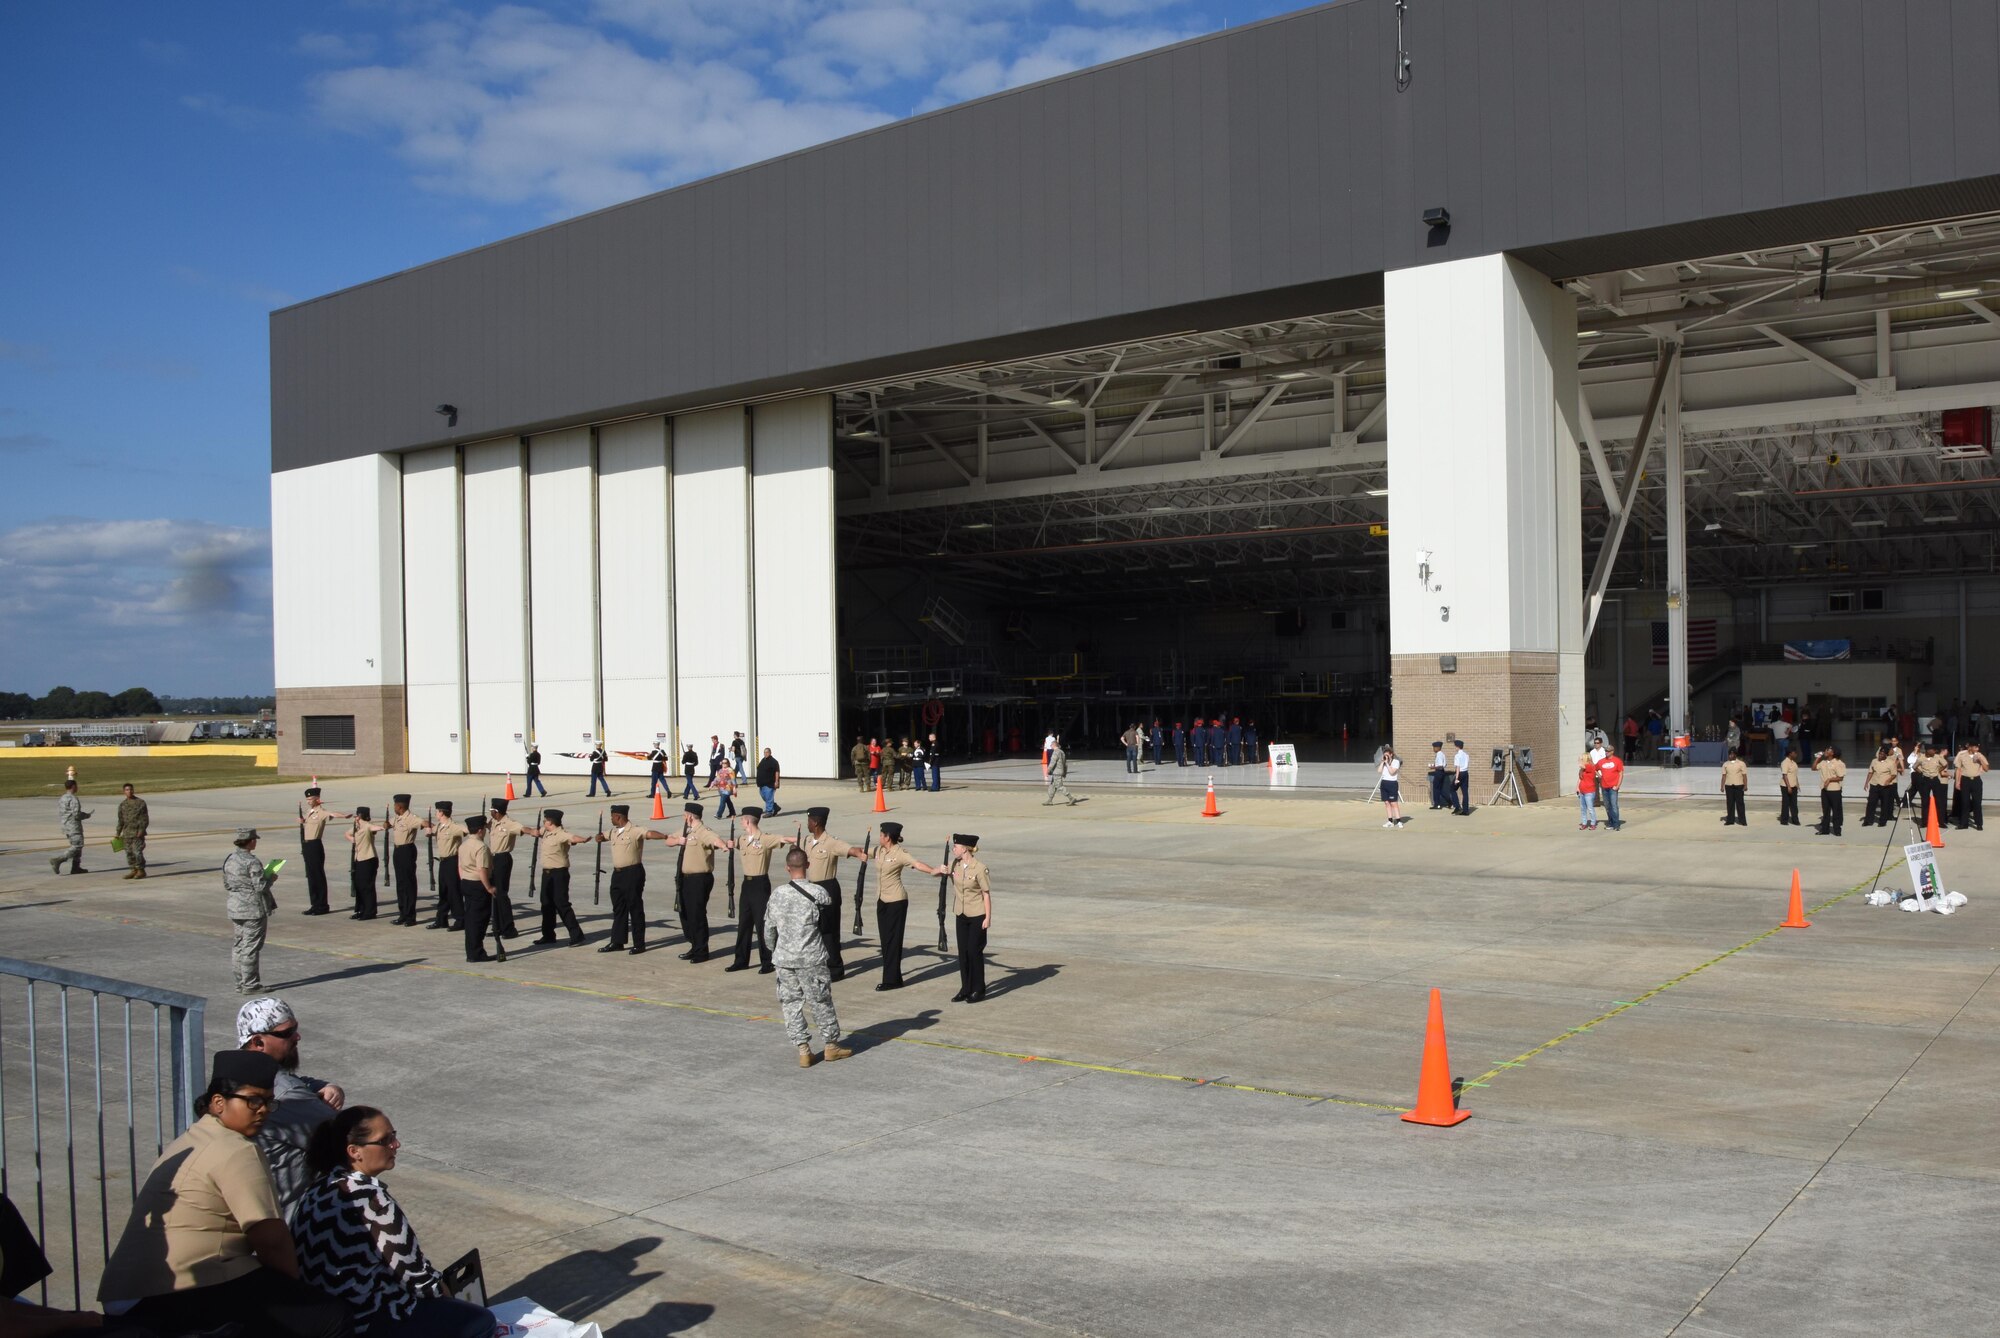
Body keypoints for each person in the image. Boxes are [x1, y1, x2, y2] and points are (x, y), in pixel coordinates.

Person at [98, 1050, 352, 1338]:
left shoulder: (191, 1137)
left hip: (131, 1289)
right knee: (332, 1318)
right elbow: (271, 1241)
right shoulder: (237, 1149)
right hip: (174, 1289)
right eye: (253, 1100)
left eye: (269, 1102)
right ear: (218, 1102)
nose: (263, 1110)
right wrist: (296, 1292)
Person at [292, 1107, 493, 1338]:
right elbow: (420, 1279)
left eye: (393, 1136)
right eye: (385, 1140)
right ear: (355, 1151)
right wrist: (453, 1302)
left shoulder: (319, 1188)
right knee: (482, 1321)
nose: (396, 1145)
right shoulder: (372, 1202)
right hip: (367, 1321)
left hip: (329, 1315)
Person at [236, 997, 344, 1222]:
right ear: (258, 1042)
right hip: (289, 1227)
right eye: (286, 1033)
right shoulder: (285, 1095)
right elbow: (346, 1139)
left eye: (295, 1029)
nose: (297, 1037)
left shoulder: (235, 1072)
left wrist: (322, 1086)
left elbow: (294, 1079)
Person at [764, 848, 851, 1067]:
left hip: (784, 959)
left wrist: (775, 949)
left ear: (787, 868)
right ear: (808, 865)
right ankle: (831, 1046)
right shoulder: (819, 893)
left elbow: (769, 929)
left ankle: (803, 1050)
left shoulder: (778, 894)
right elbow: (828, 923)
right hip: (810, 957)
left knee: (791, 1004)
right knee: (820, 1001)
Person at [869, 821, 941, 991]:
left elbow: (916, 864)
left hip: (896, 901)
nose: (879, 837)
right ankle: (894, 978)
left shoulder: (900, 853)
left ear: (888, 837)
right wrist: (852, 852)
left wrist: (933, 871)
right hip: (882, 900)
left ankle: (891, 979)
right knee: (885, 940)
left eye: (881, 835)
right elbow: (863, 852)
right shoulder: (879, 850)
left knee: (893, 941)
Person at [594, 804, 670, 954]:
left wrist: (664, 836)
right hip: (617, 875)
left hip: (632, 873)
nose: (611, 819)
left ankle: (639, 943)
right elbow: (603, 836)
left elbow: (649, 834)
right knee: (619, 908)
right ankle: (617, 941)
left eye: (612, 816)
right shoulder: (614, 832)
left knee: (635, 908)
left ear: (618, 817)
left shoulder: (635, 830)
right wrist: (599, 837)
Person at [725, 809, 791, 973]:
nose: (741, 823)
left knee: (762, 924)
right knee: (744, 924)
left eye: (742, 820)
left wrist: (802, 841)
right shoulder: (742, 839)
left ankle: (767, 961)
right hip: (746, 884)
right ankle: (741, 960)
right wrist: (729, 844)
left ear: (747, 821)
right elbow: (733, 844)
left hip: (760, 883)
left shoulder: (765, 839)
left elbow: (783, 839)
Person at [801, 807, 863, 981]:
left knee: (829, 931)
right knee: (813, 931)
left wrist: (858, 853)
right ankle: (818, 966)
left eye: (809, 821)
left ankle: (835, 969)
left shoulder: (831, 842)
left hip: (827, 888)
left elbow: (848, 849)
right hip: (811, 889)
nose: (807, 824)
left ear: (816, 822)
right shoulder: (807, 840)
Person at [667, 802, 731, 962]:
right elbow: (668, 840)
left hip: (699, 879)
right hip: (684, 879)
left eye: (684, 815)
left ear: (689, 816)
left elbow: (715, 840)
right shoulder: (685, 831)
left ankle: (701, 951)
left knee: (697, 914)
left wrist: (723, 846)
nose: (683, 817)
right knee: (685, 914)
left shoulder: (703, 831)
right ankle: (694, 945)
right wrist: (677, 841)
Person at [225, 828, 279, 995]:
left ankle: (240, 982)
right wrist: (271, 878)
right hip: (252, 909)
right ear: (250, 841)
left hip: (235, 906)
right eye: (255, 839)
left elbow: (226, 883)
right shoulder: (251, 861)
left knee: (239, 945)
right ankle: (250, 984)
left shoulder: (230, 859)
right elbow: (260, 886)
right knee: (250, 947)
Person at [531, 810, 589, 946]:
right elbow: (535, 832)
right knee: (546, 904)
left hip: (559, 874)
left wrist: (583, 840)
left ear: (550, 821)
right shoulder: (545, 831)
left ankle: (577, 935)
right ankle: (548, 935)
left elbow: (573, 838)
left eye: (545, 820)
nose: (543, 822)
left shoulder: (561, 834)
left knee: (562, 904)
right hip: (546, 874)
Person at [948, 834, 992, 1004]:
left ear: (965, 848)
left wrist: (988, 918)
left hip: (977, 915)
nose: (954, 849)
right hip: (961, 914)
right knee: (963, 953)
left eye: (956, 846)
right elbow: (948, 876)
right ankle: (965, 988)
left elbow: (986, 894)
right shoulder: (956, 865)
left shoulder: (980, 868)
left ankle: (978, 989)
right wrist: (939, 871)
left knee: (974, 952)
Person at [298, 788, 348, 916]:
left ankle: (322, 905)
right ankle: (314, 904)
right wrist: (303, 821)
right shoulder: (309, 811)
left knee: (318, 876)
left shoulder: (321, 812)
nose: (308, 801)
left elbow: (332, 814)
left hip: (315, 845)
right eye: (307, 799)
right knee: (311, 876)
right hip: (307, 846)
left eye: (310, 799)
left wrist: (343, 816)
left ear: (317, 799)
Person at [456, 815, 497, 963]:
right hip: (478, 885)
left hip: (466, 882)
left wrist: (464, 879)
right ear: (480, 830)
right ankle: (476, 953)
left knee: (471, 919)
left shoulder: (463, 845)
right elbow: (482, 870)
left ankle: (472, 951)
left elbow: (460, 866)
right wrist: (489, 887)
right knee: (479, 921)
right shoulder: (481, 847)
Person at [483, 799, 525, 938]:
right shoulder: (494, 822)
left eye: (492, 811)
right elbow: (487, 826)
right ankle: (497, 926)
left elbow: (522, 828)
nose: (490, 813)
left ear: (497, 812)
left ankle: (509, 928)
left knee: (501, 893)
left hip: (503, 858)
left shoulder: (509, 823)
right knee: (494, 894)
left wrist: (533, 832)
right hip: (493, 858)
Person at [423, 801, 463, 931]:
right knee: (443, 891)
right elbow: (431, 830)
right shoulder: (439, 826)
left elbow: (466, 830)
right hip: (443, 861)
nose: (435, 813)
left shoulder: (453, 827)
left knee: (454, 891)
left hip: (452, 861)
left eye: (437, 811)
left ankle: (460, 919)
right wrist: (428, 831)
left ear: (441, 812)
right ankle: (441, 919)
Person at [386, 796, 424, 925]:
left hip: (407, 850)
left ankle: (410, 916)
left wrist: (430, 828)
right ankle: (402, 913)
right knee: (400, 883)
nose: (394, 807)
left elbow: (424, 823)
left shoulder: (411, 818)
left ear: (399, 806)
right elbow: (389, 823)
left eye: (395, 805)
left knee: (408, 884)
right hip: (397, 851)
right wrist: (386, 825)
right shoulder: (397, 817)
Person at [346, 807, 382, 920]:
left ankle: (370, 911)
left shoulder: (367, 825)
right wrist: (351, 838)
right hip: (359, 859)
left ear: (360, 816)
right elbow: (346, 833)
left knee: (367, 886)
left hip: (368, 859)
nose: (356, 817)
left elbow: (376, 828)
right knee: (359, 885)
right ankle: (361, 909)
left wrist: (383, 827)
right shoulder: (357, 827)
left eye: (357, 815)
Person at [50, 779, 89, 876]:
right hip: (73, 826)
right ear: (73, 787)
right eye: (76, 786)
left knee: (77, 847)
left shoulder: (62, 798)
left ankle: (75, 867)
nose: (77, 787)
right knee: (77, 846)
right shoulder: (73, 799)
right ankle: (59, 860)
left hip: (66, 826)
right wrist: (86, 815)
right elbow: (76, 815)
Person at [115, 782, 150, 879]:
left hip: (137, 833)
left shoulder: (140, 803)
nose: (129, 791)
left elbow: (145, 819)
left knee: (137, 852)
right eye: (127, 790)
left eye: (130, 789)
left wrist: (141, 830)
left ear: (133, 790)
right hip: (127, 833)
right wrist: (118, 833)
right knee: (129, 853)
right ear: (124, 792)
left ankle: (141, 870)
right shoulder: (122, 805)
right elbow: (121, 820)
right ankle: (133, 870)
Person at [1813, 746, 1846, 836]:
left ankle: (1837, 830)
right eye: (1826, 749)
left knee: (1836, 811)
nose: (1825, 751)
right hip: (1824, 790)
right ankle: (1825, 830)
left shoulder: (1839, 763)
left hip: (1834, 790)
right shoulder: (1823, 762)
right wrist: (1817, 758)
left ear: (1833, 753)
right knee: (1826, 811)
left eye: (1828, 750)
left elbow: (1840, 777)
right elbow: (1814, 768)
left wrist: (1830, 779)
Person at [1862, 746, 1897, 827]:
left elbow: (1894, 774)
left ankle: (1882, 821)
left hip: (1885, 786)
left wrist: (1888, 780)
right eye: (1879, 753)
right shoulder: (1874, 761)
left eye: (1882, 754)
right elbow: (1870, 772)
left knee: (1884, 804)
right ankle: (1868, 820)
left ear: (1886, 755)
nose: (1880, 755)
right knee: (1871, 803)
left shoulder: (1891, 763)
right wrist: (1866, 782)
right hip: (1874, 784)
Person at [1594, 749, 1625, 830]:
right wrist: (1599, 776)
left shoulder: (1617, 761)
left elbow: (1621, 774)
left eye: (1608, 751)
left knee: (1614, 805)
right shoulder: (1601, 761)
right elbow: (1594, 768)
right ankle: (1610, 823)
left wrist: (1618, 785)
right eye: (1606, 751)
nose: (1606, 752)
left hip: (1613, 787)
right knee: (1607, 806)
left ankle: (1616, 824)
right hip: (1604, 787)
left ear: (1612, 751)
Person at [1044, 737, 1078, 805]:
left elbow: (1052, 762)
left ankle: (1071, 798)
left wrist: (1048, 770)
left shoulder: (1055, 752)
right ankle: (1050, 800)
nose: (1050, 746)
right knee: (1052, 786)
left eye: (1051, 745)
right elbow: (1065, 764)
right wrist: (1064, 772)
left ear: (1054, 745)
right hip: (1059, 772)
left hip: (1056, 772)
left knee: (1059, 786)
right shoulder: (1062, 752)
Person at [1378, 748, 1406, 827]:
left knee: (1394, 803)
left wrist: (1387, 763)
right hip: (1384, 783)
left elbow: (1392, 772)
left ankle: (1398, 821)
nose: (1386, 756)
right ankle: (1390, 821)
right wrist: (1382, 762)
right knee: (1387, 802)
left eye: (1387, 755)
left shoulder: (1395, 762)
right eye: (1384, 755)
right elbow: (1379, 771)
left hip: (1392, 783)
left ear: (1391, 754)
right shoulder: (1384, 762)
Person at [1720, 748, 1748, 826]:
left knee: (1740, 803)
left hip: (1739, 785)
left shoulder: (1741, 764)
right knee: (1730, 803)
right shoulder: (1725, 764)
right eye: (1729, 754)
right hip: (1729, 786)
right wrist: (1722, 786)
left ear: (1735, 754)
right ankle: (1730, 820)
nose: (1730, 756)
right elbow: (1724, 776)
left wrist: (1745, 785)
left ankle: (1742, 820)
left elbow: (1744, 775)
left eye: (1732, 754)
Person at [1777, 746, 1801, 826]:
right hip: (1786, 786)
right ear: (1790, 753)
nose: (1796, 754)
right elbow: (1785, 775)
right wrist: (1789, 787)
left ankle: (1795, 820)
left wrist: (1797, 784)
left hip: (1793, 785)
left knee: (1794, 804)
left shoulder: (1794, 762)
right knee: (1786, 803)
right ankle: (1784, 820)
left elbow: (1794, 774)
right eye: (1794, 753)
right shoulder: (1785, 762)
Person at [756, 747, 782, 815]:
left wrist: (776, 781)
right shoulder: (763, 760)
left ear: (770, 753)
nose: (765, 754)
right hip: (761, 783)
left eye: (767, 752)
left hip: (769, 783)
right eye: (764, 752)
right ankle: (775, 807)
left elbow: (777, 772)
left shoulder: (774, 762)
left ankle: (769, 811)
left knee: (769, 797)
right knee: (764, 797)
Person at [1576, 752, 1598, 830]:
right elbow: (1580, 778)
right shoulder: (1582, 769)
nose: (1581, 760)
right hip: (1582, 791)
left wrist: (1579, 760)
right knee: (1583, 808)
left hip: (1589, 791)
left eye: (1582, 759)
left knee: (1590, 808)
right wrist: (1577, 788)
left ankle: (1593, 823)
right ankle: (1584, 823)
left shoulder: (1590, 766)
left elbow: (1581, 765)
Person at [1451, 740, 1472, 815]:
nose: (1455, 748)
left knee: (1452, 789)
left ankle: (1457, 807)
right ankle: (1465, 810)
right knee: (1465, 792)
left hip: (1459, 774)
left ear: (1457, 746)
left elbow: (1458, 768)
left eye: (1455, 746)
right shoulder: (1466, 755)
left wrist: (1456, 778)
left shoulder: (1457, 756)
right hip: (1466, 773)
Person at [1428, 742, 1448, 810]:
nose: (1433, 749)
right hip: (1442, 773)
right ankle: (1449, 801)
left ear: (1438, 748)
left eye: (1434, 747)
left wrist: (1432, 767)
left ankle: (1437, 804)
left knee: (1436, 789)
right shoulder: (1442, 754)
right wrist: (1434, 766)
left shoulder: (1439, 755)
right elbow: (1444, 764)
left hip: (1439, 773)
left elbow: (1440, 766)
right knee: (1440, 789)